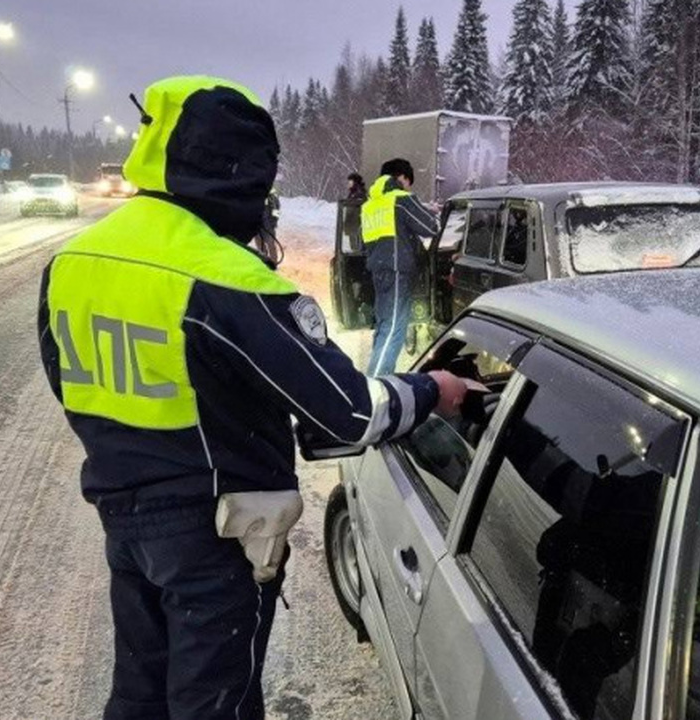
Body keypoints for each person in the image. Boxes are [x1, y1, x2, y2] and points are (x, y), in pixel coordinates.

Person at [36, 75, 467, 720]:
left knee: (140, 692)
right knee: (216, 705)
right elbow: (348, 411)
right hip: (215, 534)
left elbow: (69, 383)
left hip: (123, 517)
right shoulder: (228, 278)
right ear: (239, 177)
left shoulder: (75, 261)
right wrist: (436, 388)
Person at [361, 158, 440, 375]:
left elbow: (365, 243)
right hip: (397, 272)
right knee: (395, 328)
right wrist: (433, 213)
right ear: (402, 177)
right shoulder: (400, 200)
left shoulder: (370, 206)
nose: (408, 187)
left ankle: (376, 374)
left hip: (378, 271)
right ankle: (377, 383)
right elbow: (430, 227)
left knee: (383, 326)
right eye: (408, 181)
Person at [343, 172, 367, 251]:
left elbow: (355, 210)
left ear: (355, 183)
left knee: (356, 248)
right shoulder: (353, 194)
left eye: (350, 182)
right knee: (354, 247)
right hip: (353, 226)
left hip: (356, 226)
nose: (348, 184)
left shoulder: (359, 194)